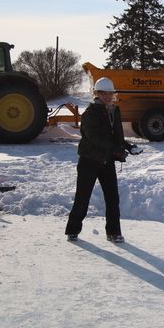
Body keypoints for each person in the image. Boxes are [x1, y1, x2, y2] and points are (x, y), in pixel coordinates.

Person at [65, 77, 140, 243]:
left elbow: (115, 137)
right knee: (82, 197)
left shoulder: (114, 111)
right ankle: (72, 230)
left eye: (110, 93)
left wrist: (128, 147)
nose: (107, 96)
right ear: (97, 94)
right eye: (103, 93)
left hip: (107, 161)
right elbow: (94, 138)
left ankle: (113, 232)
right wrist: (115, 149)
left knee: (113, 198)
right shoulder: (90, 113)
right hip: (89, 160)